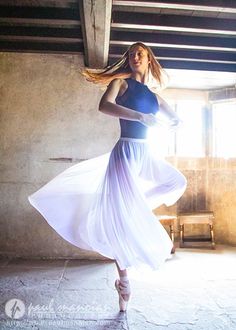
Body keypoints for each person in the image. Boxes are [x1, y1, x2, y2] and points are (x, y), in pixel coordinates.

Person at [28, 42, 187, 312]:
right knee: (120, 223)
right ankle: (123, 282)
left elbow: (175, 119)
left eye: (140, 53)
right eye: (131, 54)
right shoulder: (120, 83)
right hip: (124, 151)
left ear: (149, 60)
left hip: (145, 152)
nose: (135, 57)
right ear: (128, 60)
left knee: (176, 181)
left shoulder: (155, 96)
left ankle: (130, 208)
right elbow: (105, 106)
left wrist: (173, 122)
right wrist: (139, 116)